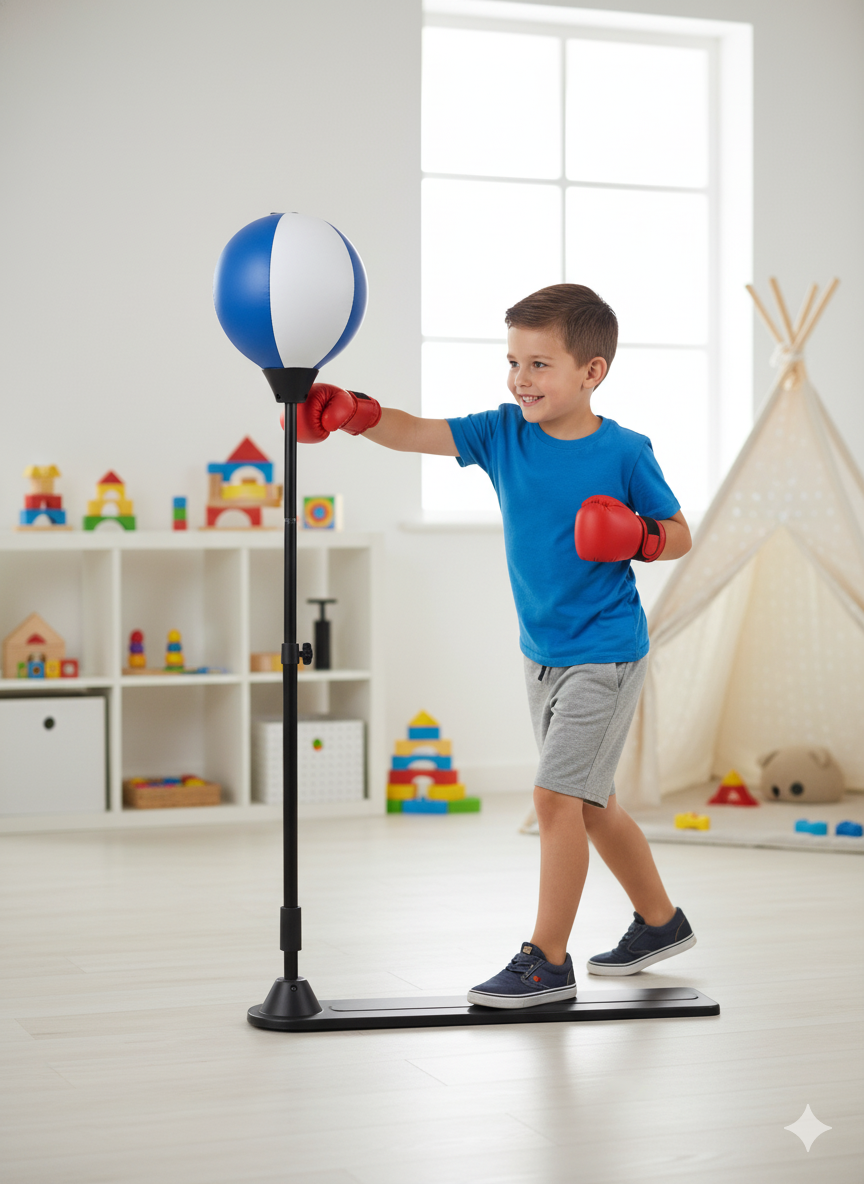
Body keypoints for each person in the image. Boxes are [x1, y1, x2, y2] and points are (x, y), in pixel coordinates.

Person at [293, 283, 697, 1009]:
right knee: (591, 802)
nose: (521, 379)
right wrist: (356, 414)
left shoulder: (626, 452)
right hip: (541, 652)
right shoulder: (503, 433)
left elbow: (680, 535)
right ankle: (661, 924)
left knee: (552, 799)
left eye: (540, 364)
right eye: (513, 361)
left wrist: (637, 536)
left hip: (605, 652)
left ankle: (546, 961)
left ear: (591, 372)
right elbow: (418, 431)